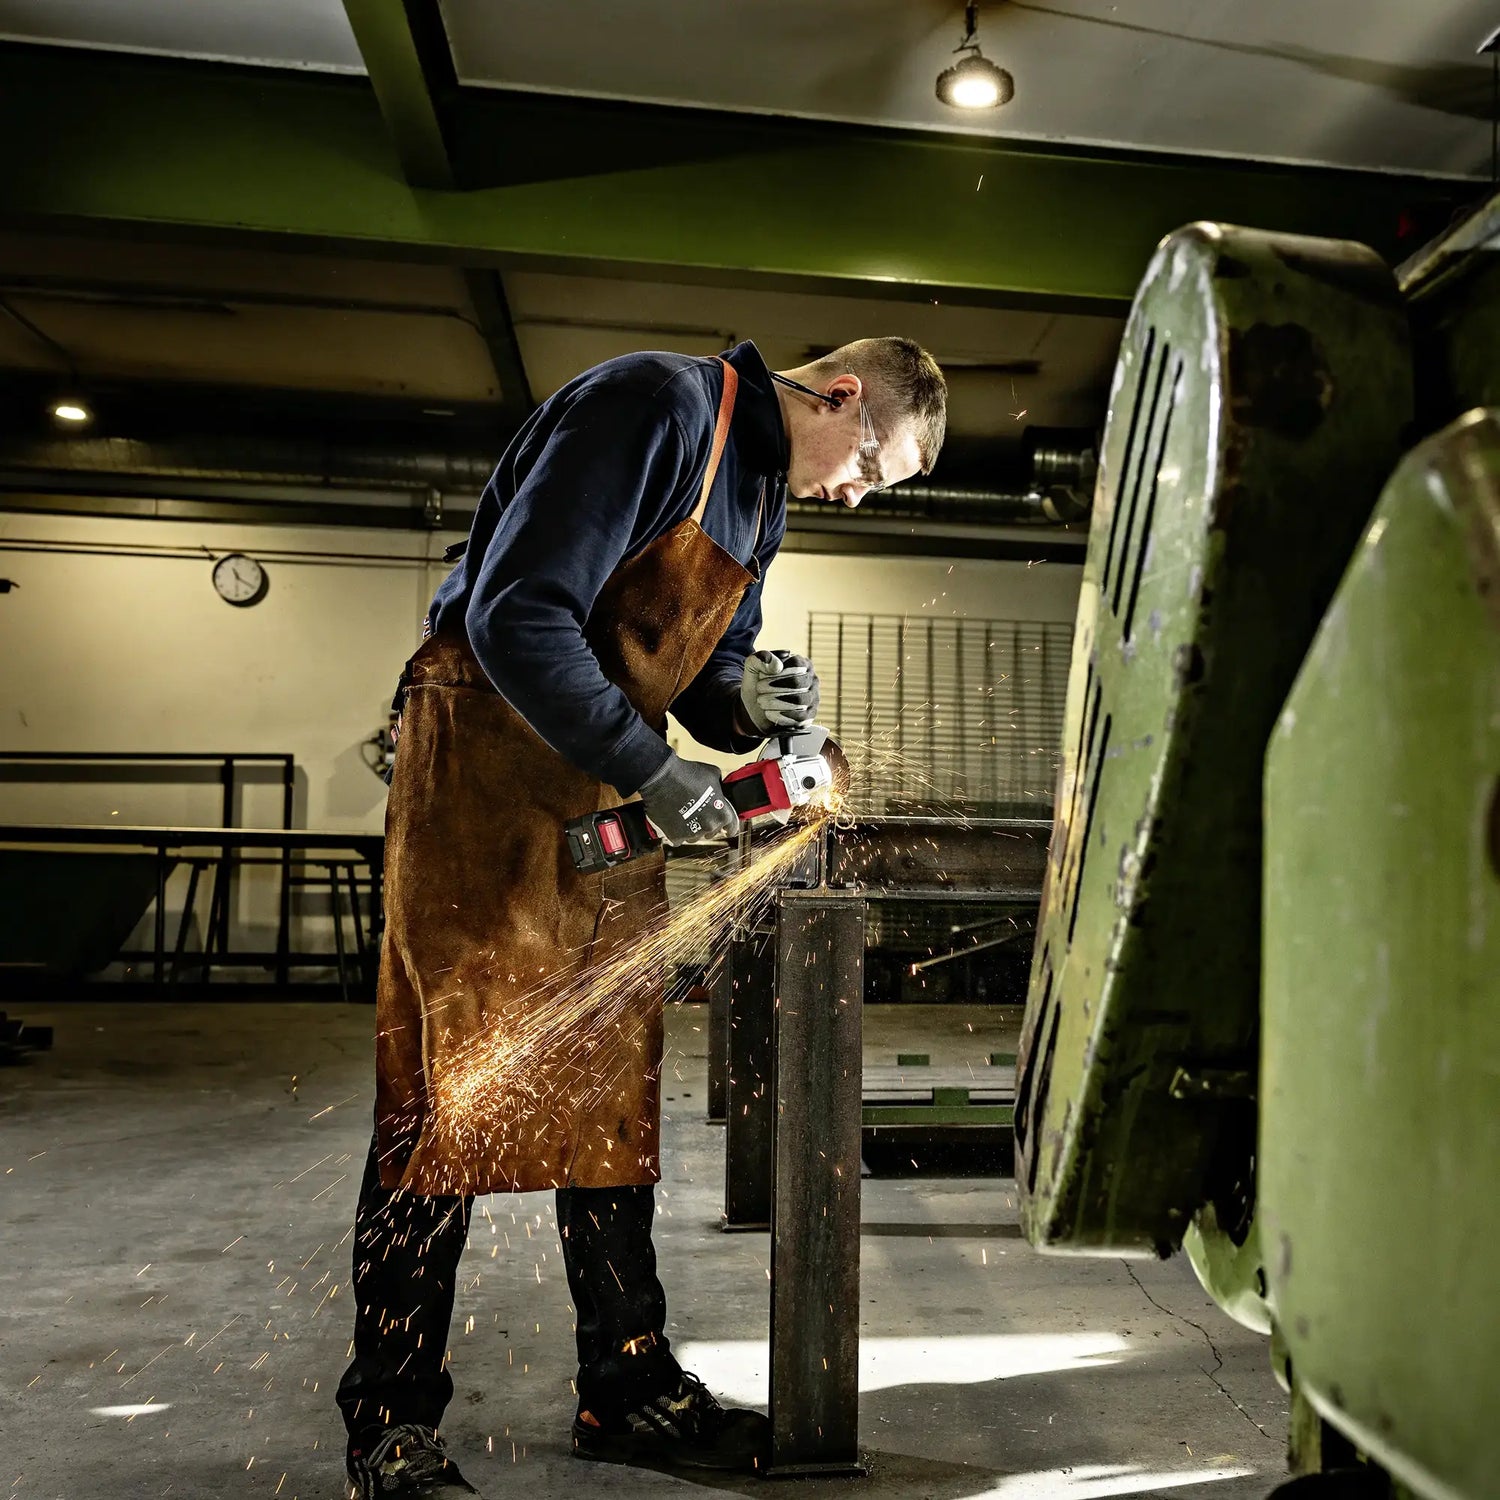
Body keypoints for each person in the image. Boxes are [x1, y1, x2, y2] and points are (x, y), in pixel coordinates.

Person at [337, 337, 947, 1497]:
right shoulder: (655, 406)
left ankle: (626, 1387)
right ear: (842, 395)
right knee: (447, 1085)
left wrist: (745, 699)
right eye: (872, 466)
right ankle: (392, 1421)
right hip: (486, 754)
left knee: (612, 1079)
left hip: (605, 773)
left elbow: (696, 677)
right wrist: (653, 769)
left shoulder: (764, 491)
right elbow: (519, 614)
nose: (860, 493)